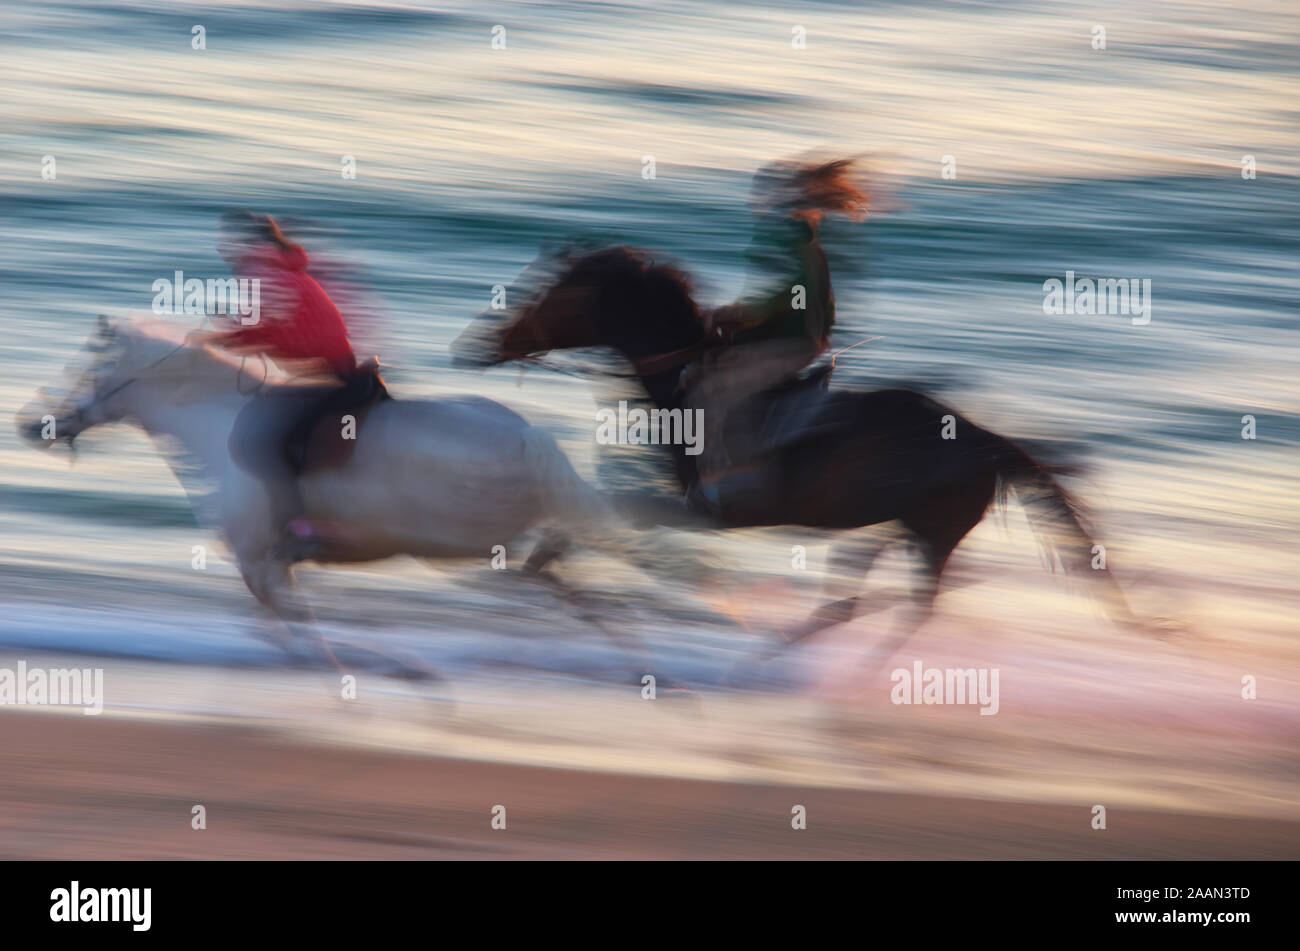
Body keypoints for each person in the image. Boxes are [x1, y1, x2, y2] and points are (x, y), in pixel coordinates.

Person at [197, 209, 386, 560]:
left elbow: (287, 336)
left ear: (246, 243)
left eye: (227, 241)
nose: (223, 248)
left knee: (263, 444)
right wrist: (238, 336)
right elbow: (282, 328)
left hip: (331, 371)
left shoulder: (262, 269)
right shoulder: (279, 266)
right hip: (334, 365)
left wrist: (235, 338)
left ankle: (301, 527)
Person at [684, 159, 867, 511]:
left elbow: (794, 295)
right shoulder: (789, 235)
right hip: (783, 335)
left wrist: (740, 314)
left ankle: (736, 483)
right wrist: (740, 316)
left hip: (794, 343)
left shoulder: (797, 238)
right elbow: (781, 295)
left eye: (767, 192)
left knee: (712, 393)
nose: (760, 198)